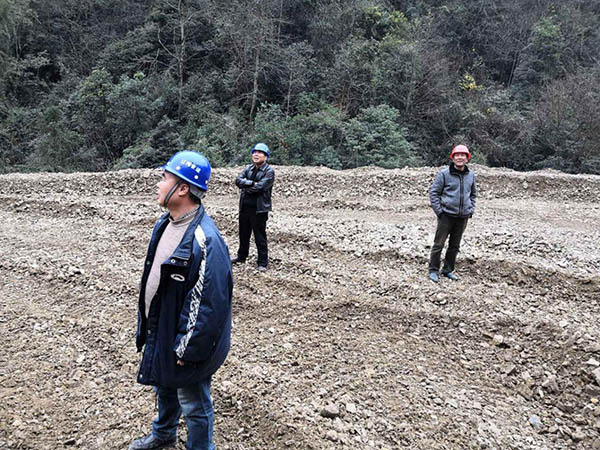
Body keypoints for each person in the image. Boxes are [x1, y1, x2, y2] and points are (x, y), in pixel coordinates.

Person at [129, 151, 233, 450]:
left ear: (183, 188)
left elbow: (209, 306)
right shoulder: (165, 223)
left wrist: (188, 349)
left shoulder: (206, 240)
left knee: (194, 402)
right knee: (165, 384)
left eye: (165, 178)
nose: (158, 184)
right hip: (164, 327)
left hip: (188, 342)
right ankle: (164, 434)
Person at [428, 144, 477, 283]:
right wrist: (439, 211)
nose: (460, 157)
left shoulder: (471, 175)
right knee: (438, 244)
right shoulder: (444, 174)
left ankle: (448, 270)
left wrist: (470, 209)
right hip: (446, 215)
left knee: (454, 246)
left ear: (467, 158)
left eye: (463, 155)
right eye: (457, 155)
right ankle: (433, 270)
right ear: (453, 158)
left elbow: (473, 194)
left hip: (462, 217)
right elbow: (434, 193)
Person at [231, 142, 275, 272]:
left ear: (265, 156)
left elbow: (260, 187)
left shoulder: (269, 171)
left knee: (259, 236)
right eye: (255, 152)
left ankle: (262, 262)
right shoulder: (248, 168)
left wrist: (246, 186)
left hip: (259, 209)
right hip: (245, 207)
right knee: (243, 234)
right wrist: (251, 183)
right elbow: (238, 181)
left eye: (260, 152)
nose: (256, 154)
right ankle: (241, 256)